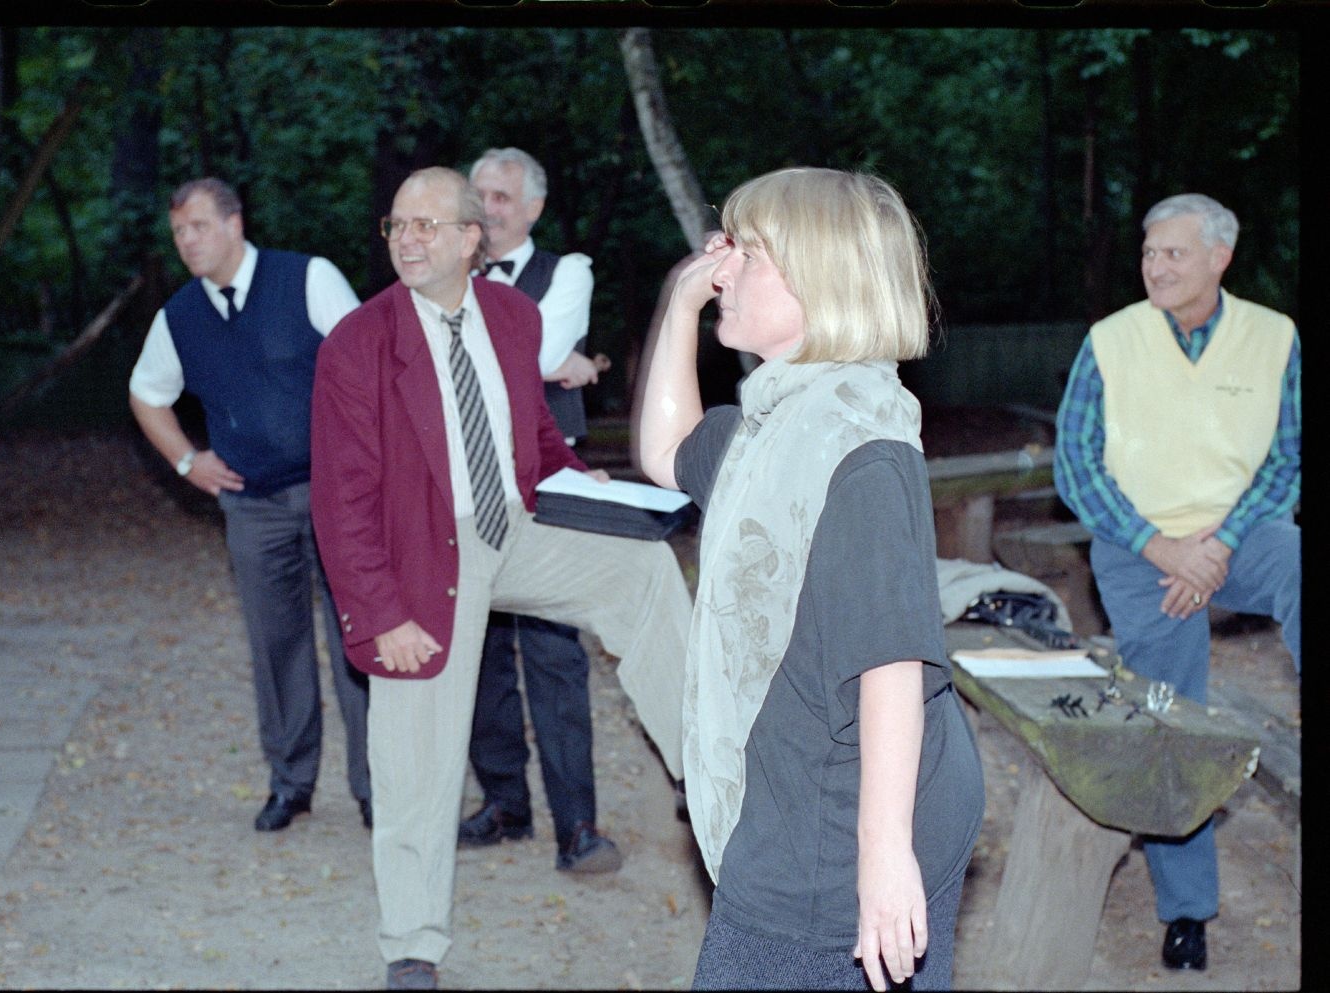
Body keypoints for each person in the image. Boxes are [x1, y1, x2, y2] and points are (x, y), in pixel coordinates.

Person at [309, 166, 692, 991]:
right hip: (418, 559)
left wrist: (579, 476)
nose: (407, 241)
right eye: (396, 226)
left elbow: (528, 430)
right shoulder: (360, 342)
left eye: (426, 226)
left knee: (644, 567)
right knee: (415, 756)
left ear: (471, 239)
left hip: (511, 530)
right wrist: (379, 615)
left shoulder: (513, 319)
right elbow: (340, 502)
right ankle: (412, 944)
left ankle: (705, 763)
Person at [638, 167, 984, 991]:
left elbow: (892, 663)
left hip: (835, 828)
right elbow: (665, 451)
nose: (725, 267)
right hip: (792, 797)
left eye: (749, 252)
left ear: (821, 280)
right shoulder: (777, 418)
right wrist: (682, 302)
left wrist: (884, 855)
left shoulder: (862, 444)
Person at [1054, 192, 1300, 973]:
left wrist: (1219, 545)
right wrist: (1163, 547)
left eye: (1174, 253)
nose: (1155, 267)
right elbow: (1076, 466)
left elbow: (1286, 459)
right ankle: (1187, 907)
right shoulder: (1111, 340)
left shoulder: (1275, 337)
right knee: (1171, 713)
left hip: (1237, 533)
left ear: (1219, 258)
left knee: (1296, 554)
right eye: (1149, 254)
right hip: (1139, 542)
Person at [128, 177, 372, 834]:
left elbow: (369, 362)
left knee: (358, 637)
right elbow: (147, 394)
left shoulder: (307, 279)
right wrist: (187, 460)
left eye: (199, 226)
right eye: (179, 231)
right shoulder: (178, 316)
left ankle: (376, 785)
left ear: (235, 224)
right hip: (252, 506)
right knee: (275, 644)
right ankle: (290, 782)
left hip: (336, 495)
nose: (187, 242)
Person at [457, 146, 619, 870]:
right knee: (480, 649)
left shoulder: (569, 271)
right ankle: (502, 804)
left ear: (532, 209)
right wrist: (553, 367)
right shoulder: (444, 273)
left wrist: (552, 360)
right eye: (478, 194)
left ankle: (577, 826)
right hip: (468, 480)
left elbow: (533, 348)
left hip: (551, 480)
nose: (486, 207)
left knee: (554, 652)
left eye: (500, 196)